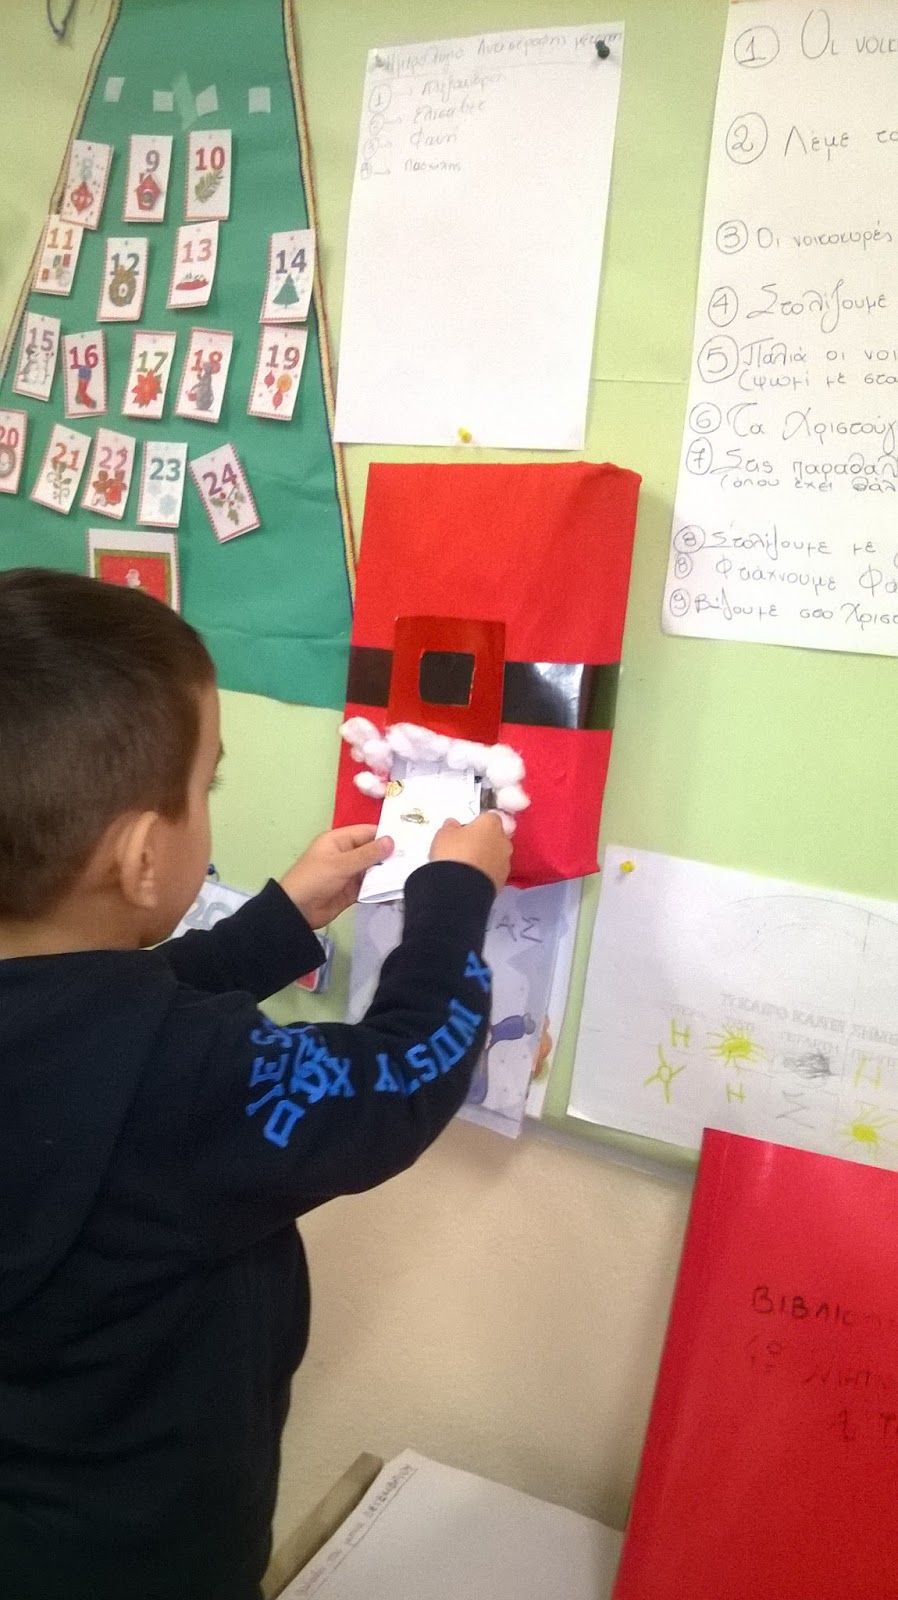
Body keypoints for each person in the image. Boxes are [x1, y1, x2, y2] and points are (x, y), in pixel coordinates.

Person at [0, 568, 511, 1600]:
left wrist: (278, 920)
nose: (207, 808)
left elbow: (104, 1015)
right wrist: (455, 896)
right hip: (149, 1561)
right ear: (144, 858)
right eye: (207, 789)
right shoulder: (189, 1080)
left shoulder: (81, 1031)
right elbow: (398, 1079)